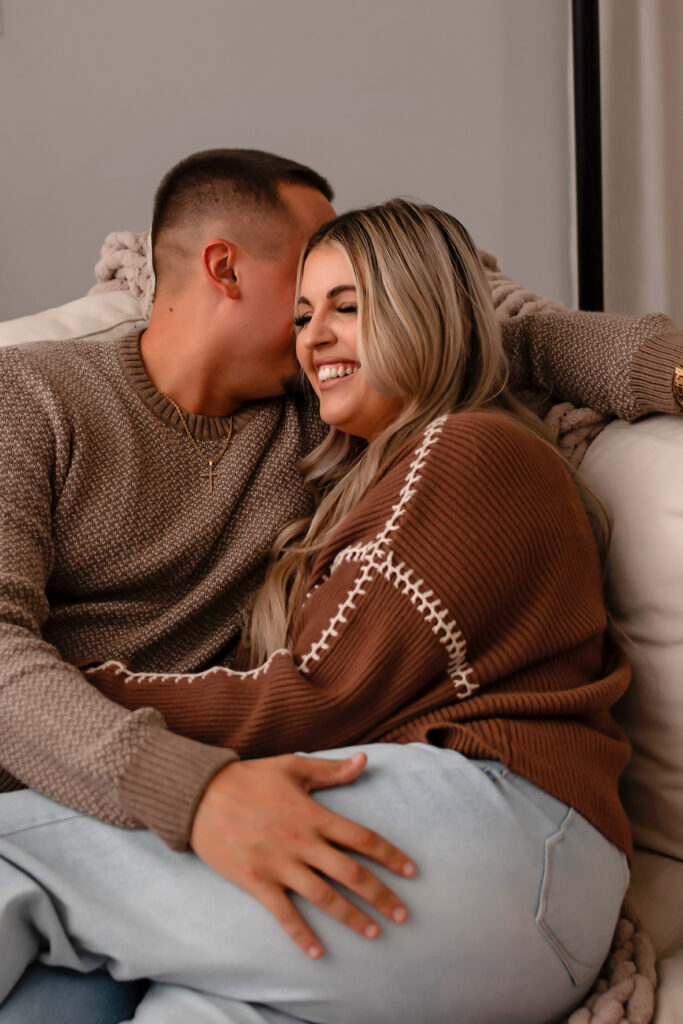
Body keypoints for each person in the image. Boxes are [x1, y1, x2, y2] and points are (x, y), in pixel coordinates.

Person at [1, 149, 682, 1022]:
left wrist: (664, 367)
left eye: (346, 302)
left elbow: (495, 332)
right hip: (178, 796)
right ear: (225, 269)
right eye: (302, 297)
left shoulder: (381, 435)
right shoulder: (34, 400)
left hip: (446, 817)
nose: (313, 332)